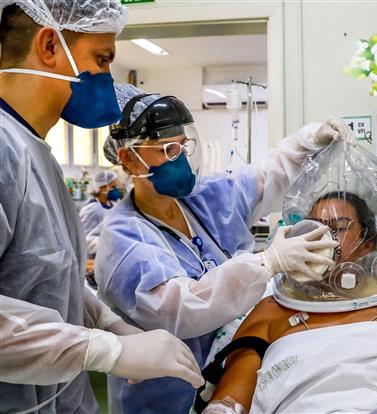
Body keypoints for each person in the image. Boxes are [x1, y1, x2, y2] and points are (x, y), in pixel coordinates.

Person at [95, 84, 353, 413]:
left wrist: (309, 142)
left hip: (230, 369)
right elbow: (179, 311)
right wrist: (266, 264)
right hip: (166, 396)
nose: (181, 158)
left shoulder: (201, 199)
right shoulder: (123, 241)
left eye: (184, 145)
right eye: (168, 149)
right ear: (130, 159)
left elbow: (265, 178)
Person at [0, 2, 205, 413]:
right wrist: (104, 351)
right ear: (49, 45)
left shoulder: (33, 152)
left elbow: (47, 280)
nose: (108, 80)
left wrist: (108, 324)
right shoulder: (5, 151)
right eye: (102, 59)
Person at [202, 192, 377, 413]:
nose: (322, 238)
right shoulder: (271, 309)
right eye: (313, 228)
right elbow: (230, 401)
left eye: (337, 228)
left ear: (368, 241)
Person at [79, 169, 123, 256]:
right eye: (113, 187)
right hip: (94, 257)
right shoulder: (91, 209)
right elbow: (83, 240)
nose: (116, 190)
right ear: (101, 187)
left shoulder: (113, 205)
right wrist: (110, 245)